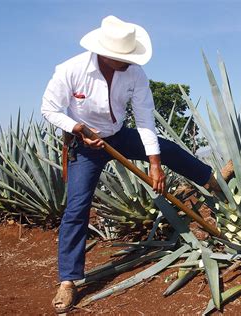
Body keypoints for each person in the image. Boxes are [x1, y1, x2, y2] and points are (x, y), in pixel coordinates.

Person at [41, 15, 220, 313]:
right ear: (105, 52)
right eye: (123, 57)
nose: (129, 61)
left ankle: (212, 181)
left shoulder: (134, 74)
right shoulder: (71, 70)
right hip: (86, 146)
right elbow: (49, 108)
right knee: (77, 208)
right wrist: (79, 130)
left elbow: (146, 119)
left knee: (168, 149)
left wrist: (155, 164)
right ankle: (69, 281)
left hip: (118, 136)